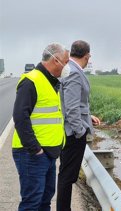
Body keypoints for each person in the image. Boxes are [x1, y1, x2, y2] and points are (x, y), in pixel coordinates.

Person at [12, 43, 69, 211]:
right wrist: (35, 149)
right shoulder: (32, 81)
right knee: (32, 203)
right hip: (32, 153)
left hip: (49, 153)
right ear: (55, 60)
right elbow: (20, 117)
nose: (67, 67)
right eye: (65, 62)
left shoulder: (51, 82)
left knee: (45, 200)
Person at [57, 40, 101, 211]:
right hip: (73, 134)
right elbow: (72, 107)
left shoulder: (70, 69)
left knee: (66, 176)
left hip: (71, 130)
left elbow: (74, 104)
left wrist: (88, 117)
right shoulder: (74, 72)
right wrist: (80, 131)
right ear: (87, 56)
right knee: (68, 177)